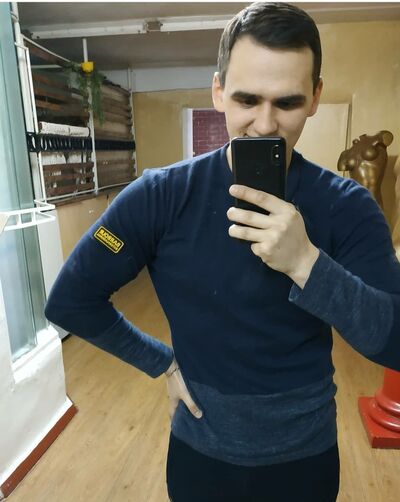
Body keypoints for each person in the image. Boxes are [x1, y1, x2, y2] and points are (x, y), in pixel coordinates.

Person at [45, 3, 400, 501]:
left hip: (305, 460)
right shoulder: (159, 197)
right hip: (201, 457)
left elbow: (394, 343)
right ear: (218, 91)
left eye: (288, 102)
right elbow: (70, 301)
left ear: (316, 97)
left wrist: (307, 263)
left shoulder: (347, 206)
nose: (264, 124)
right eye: (247, 99)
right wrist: (162, 363)